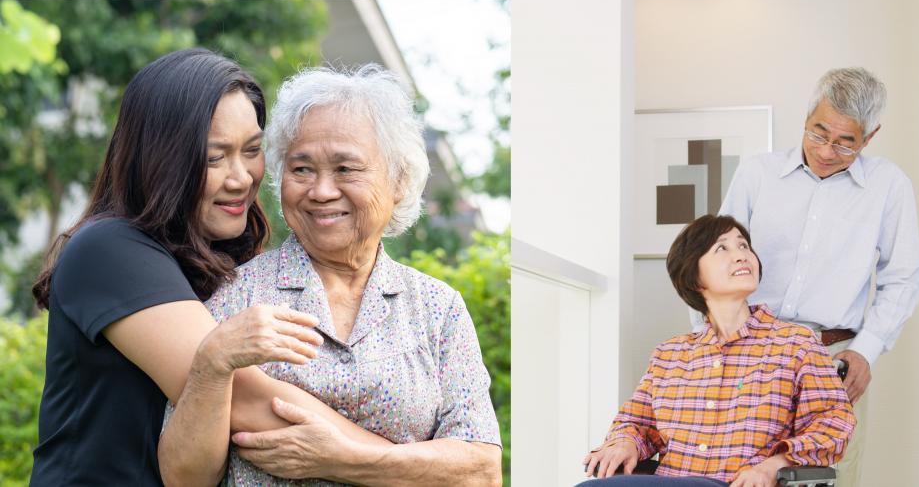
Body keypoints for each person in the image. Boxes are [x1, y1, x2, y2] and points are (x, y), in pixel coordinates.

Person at [28, 48, 394, 486]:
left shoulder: (224, 257)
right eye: (215, 157)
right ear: (161, 158)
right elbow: (250, 403)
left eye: (252, 150)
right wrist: (426, 467)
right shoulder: (110, 250)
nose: (241, 177)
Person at [161, 65, 503, 485]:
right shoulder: (236, 295)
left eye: (345, 169)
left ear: (398, 181)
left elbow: (481, 472)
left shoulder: (437, 308)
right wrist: (212, 365)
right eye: (301, 169)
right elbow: (183, 478)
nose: (321, 191)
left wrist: (341, 458)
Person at [716, 67, 919, 485]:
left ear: (870, 136)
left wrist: (866, 350)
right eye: (817, 133)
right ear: (807, 117)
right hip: (749, 352)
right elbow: (714, 263)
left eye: (845, 143)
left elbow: (903, 277)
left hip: (832, 360)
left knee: (828, 475)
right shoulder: (758, 175)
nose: (827, 150)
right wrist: (719, 345)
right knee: (740, 474)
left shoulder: (889, 186)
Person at [582, 215, 854, 487]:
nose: (741, 256)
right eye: (722, 248)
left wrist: (776, 464)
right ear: (693, 278)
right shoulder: (669, 355)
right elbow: (634, 423)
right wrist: (624, 443)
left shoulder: (797, 343)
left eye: (744, 246)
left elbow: (833, 424)